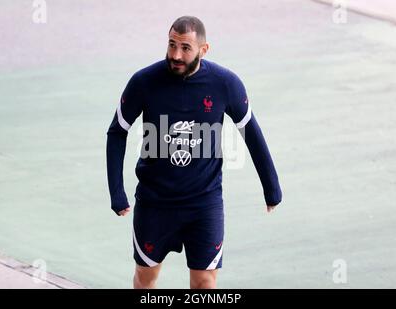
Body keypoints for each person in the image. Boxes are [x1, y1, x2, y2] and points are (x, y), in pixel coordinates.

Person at [106, 16, 282, 289]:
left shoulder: (225, 84)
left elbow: (251, 132)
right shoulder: (144, 82)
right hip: (155, 203)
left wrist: (271, 187)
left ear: (204, 49)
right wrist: (116, 192)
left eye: (185, 48)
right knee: (145, 278)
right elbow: (117, 131)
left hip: (204, 203)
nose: (176, 54)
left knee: (204, 283)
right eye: (172, 44)